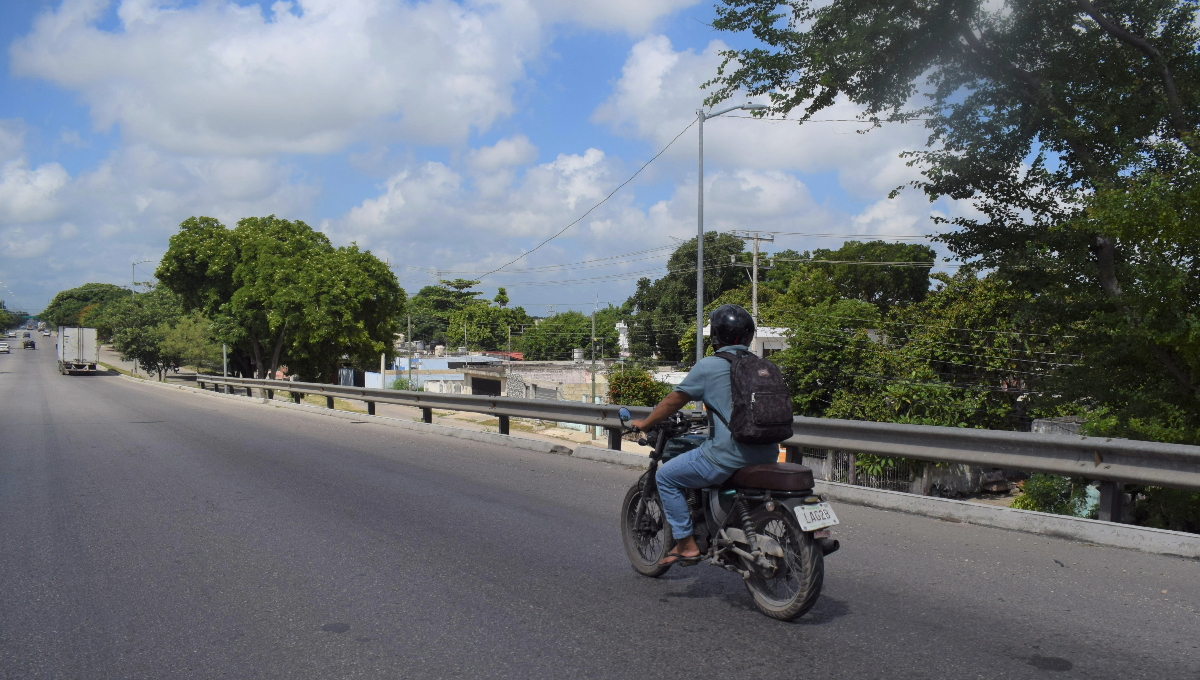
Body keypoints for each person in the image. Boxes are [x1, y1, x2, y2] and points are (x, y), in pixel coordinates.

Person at [630, 304, 781, 566]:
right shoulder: (763, 365)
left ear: (716, 336)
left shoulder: (710, 366)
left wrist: (645, 424)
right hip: (768, 453)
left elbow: (671, 402)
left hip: (728, 456)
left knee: (665, 476)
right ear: (748, 337)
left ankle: (686, 545)